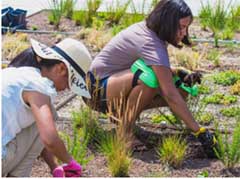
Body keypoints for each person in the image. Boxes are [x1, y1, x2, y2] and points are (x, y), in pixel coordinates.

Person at [86, 0, 217, 157]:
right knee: (150, 79)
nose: (184, 33)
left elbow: (156, 73)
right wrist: (199, 131)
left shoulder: (151, 32)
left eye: (186, 27)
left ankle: (122, 116)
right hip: (96, 90)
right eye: (181, 27)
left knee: (181, 89)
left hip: (112, 85)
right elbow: (169, 94)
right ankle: (124, 133)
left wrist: (178, 73)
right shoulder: (151, 42)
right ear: (168, 23)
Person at [2, 38, 92, 177]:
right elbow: (49, 138)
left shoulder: (17, 74)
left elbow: (38, 136)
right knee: (48, 113)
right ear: (61, 68)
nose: (66, 89)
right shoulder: (38, 86)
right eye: (69, 83)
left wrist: (55, 167)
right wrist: (70, 162)